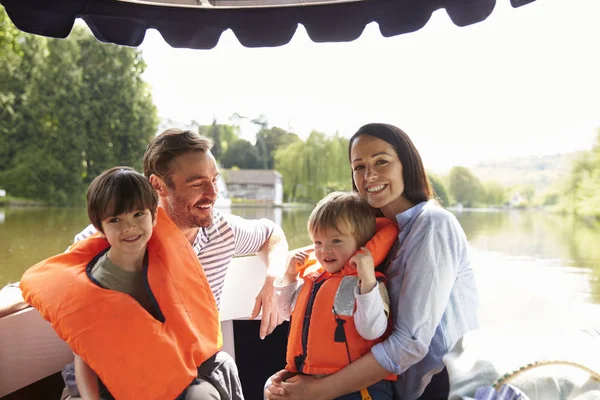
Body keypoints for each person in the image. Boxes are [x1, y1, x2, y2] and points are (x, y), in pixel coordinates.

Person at [64, 128, 289, 398]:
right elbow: (63, 277)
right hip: (115, 371)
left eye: (214, 180)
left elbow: (272, 234)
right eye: (196, 184)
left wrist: (271, 280)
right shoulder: (119, 236)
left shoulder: (223, 230)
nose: (212, 194)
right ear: (158, 185)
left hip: (191, 368)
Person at [265, 123, 480, 400]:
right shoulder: (372, 231)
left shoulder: (433, 225)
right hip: (379, 381)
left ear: (407, 165)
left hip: (433, 386)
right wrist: (299, 375)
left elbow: (409, 345)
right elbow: (317, 258)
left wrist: (319, 390)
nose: (369, 176)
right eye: (359, 166)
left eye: (382, 162)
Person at [20, 167, 231, 399]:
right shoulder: (97, 283)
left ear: (154, 215)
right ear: (100, 228)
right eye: (115, 219)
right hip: (110, 382)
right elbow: (84, 359)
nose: (129, 227)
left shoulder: (166, 258)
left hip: (166, 370)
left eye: (138, 215)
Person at [272, 191, 400, 400]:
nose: (324, 251)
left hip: (358, 389)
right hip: (311, 380)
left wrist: (367, 281)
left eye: (336, 241)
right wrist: (290, 276)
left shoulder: (368, 282)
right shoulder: (315, 278)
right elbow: (286, 313)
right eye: (318, 243)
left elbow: (372, 331)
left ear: (362, 245)